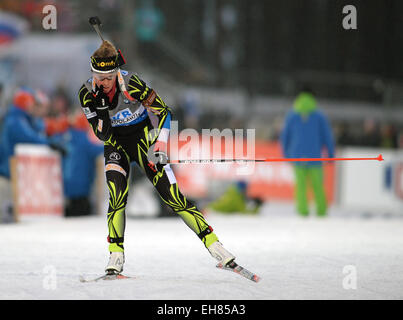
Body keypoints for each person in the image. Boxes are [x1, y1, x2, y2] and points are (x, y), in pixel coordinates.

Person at [78, 40, 237, 275]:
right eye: (97, 77)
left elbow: (165, 111)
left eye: (107, 78)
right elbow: (102, 134)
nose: (102, 83)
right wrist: (101, 109)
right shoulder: (86, 93)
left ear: (116, 73)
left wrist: (161, 143)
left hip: (144, 140)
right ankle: (116, 254)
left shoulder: (132, 83)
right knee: (117, 196)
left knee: (173, 198)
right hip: (115, 144)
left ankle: (216, 246)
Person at [280, 90, 335, 217]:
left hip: (297, 156)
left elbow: (285, 137)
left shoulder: (292, 115)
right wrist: (331, 154)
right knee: (318, 186)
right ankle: (321, 210)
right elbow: (327, 136)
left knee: (300, 187)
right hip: (315, 156)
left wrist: (285, 154)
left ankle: (302, 210)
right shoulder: (319, 116)